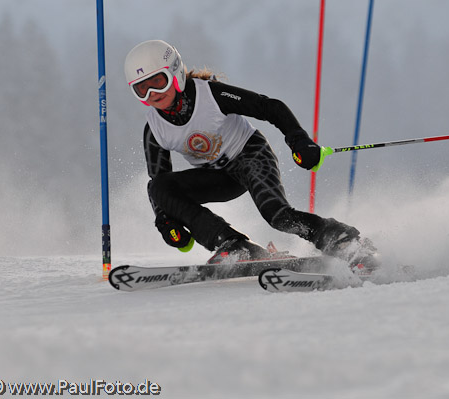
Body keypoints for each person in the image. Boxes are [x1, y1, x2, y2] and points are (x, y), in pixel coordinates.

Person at [124, 39, 376, 269]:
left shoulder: (210, 95)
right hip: (218, 177)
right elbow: (160, 185)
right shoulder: (155, 129)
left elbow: (269, 107)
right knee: (158, 187)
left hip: (251, 155)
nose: (152, 94)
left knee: (277, 216)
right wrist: (165, 221)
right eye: (141, 89)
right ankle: (233, 244)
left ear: (175, 73)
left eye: (158, 82)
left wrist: (299, 141)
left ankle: (341, 239)